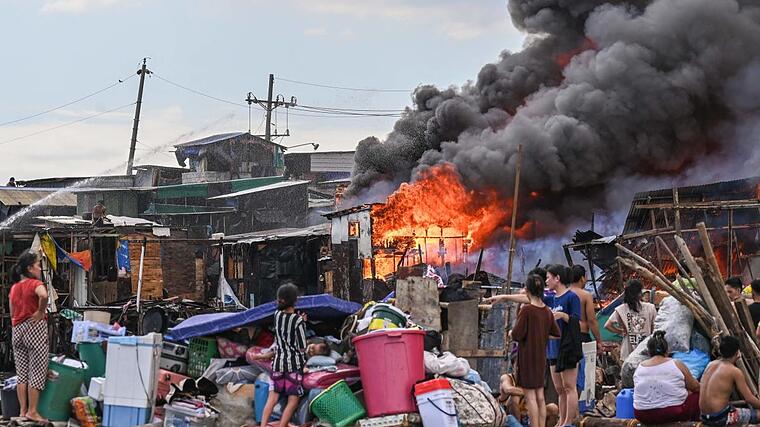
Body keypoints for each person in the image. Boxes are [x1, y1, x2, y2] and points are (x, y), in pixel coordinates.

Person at [486, 265, 582, 427]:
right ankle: (561, 422)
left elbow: (577, 321)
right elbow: (529, 299)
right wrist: (504, 297)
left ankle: (568, 421)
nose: (547, 280)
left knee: (569, 387)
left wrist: (562, 315)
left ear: (557, 278)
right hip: (552, 349)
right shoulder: (551, 299)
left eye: (549, 277)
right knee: (559, 389)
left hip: (567, 348)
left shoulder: (571, 297)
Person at [510, 274, 560, 427]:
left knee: (530, 396)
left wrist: (510, 333)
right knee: (540, 396)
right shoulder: (546, 311)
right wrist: (540, 335)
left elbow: (517, 335)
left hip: (527, 359)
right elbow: (556, 334)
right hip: (541, 358)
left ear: (527, 290)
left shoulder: (527, 310)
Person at [259, 283, 307, 427]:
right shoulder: (298, 320)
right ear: (295, 300)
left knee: (272, 398)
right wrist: (303, 323)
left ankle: (263, 425)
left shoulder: (277, 315)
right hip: (294, 366)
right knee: (293, 401)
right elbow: (302, 347)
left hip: (278, 363)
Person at [10, 251, 49, 423]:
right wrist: (40, 311)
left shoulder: (14, 287)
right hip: (34, 328)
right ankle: (33, 411)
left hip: (17, 330)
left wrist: (18, 323)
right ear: (29, 268)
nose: (40, 268)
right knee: (37, 371)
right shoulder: (35, 283)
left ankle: (22, 410)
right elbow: (44, 295)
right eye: (38, 265)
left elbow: (12, 312)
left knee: (22, 374)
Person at [633, 331, 700, 423]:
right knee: (698, 396)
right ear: (667, 351)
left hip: (642, 414)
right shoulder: (676, 363)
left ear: (649, 352)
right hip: (672, 413)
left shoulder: (639, 367)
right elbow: (695, 387)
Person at [700, 336, 760, 426]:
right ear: (737, 352)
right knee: (758, 414)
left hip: (704, 416)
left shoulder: (710, 364)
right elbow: (749, 398)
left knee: (731, 408)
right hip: (719, 417)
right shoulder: (734, 371)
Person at [604, 279, 657, 361]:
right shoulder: (650, 307)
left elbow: (607, 325)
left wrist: (621, 331)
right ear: (640, 293)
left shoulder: (621, 309)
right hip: (647, 350)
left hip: (628, 352)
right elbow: (655, 328)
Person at [569, 265, 601, 350]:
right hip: (582, 336)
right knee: (585, 363)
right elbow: (592, 320)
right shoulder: (586, 295)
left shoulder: (563, 294)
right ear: (582, 278)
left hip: (566, 337)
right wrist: (599, 341)